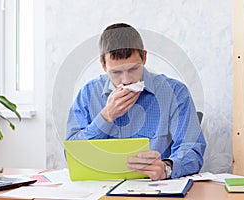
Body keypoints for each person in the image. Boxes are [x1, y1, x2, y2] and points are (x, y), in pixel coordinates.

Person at [66, 23, 206, 180]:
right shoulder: (88, 94)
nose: (126, 80)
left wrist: (167, 167)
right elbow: (72, 153)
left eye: (133, 69)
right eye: (116, 72)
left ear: (144, 58)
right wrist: (105, 117)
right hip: (101, 188)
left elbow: (192, 148)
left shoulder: (174, 92)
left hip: (155, 190)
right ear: (103, 65)